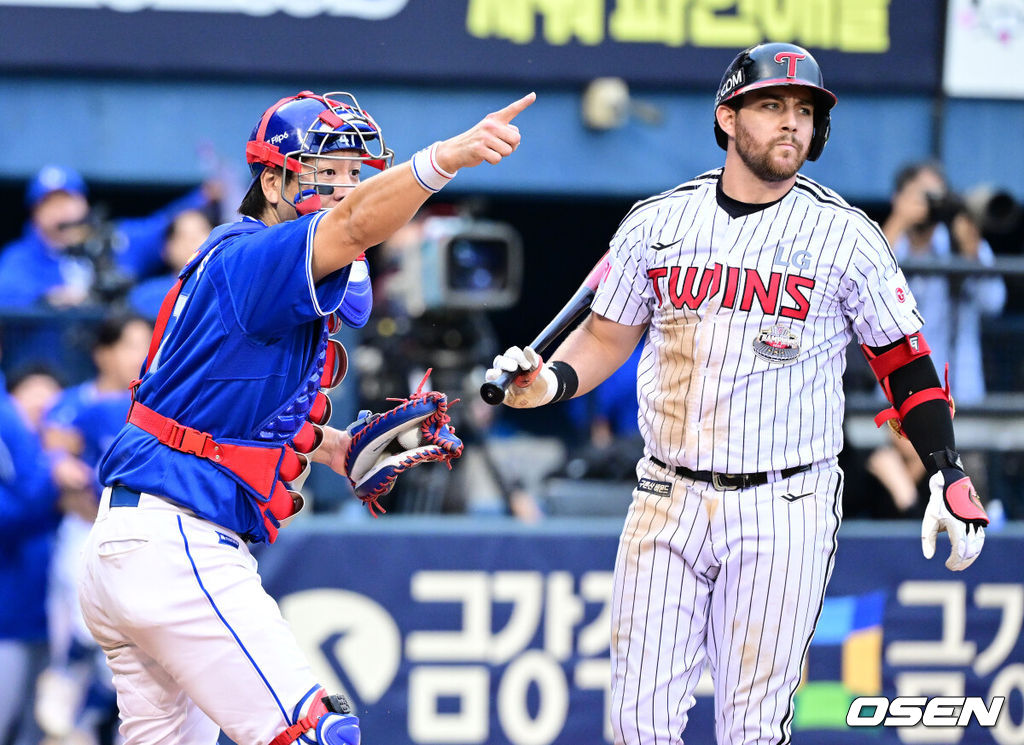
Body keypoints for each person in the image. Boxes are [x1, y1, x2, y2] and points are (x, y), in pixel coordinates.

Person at [485, 43, 989, 745]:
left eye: (805, 111)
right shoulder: (658, 223)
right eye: (773, 105)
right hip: (667, 494)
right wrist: (551, 382)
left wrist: (947, 467)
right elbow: (605, 337)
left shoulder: (845, 235)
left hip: (784, 501)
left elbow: (903, 359)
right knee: (637, 722)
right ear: (728, 117)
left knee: (751, 724)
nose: (792, 123)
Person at [77, 88, 534, 745]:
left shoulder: (239, 265)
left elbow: (217, 417)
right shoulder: (255, 256)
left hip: (134, 541)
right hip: (177, 544)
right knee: (319, 733)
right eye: (329, 172)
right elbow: (352, 228)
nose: (348, 188)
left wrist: (334, 447)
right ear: (273, 179)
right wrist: (444, 159)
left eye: (356, 173)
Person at [36, 313, 152, 742]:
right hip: (86, 528)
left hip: (141, 536)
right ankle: (68, 679)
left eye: (146, 344)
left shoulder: (159, 400)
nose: (139, 356)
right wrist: (61, 466)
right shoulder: (83, 404)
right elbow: (53, 451)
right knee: (83, 627)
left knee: (133, 644)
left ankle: (97, 710)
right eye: (129, 344)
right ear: (104, 352)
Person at [0, 164, 220, 309]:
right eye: (51, 204)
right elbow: (7, 294)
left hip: (110, 353)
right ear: (35, 214)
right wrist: (48, 298)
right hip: (53, 364)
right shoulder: (20, 257)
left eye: (68, 200)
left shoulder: (112, 238)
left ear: (83, 203)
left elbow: (162, 225)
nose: (62, 211)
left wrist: (202, 196)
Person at [882, 161, 1007, 405]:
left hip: (961, 394)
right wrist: (899, 220)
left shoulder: (959, 244)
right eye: (924, 194)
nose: (931, 202)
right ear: (898, 198)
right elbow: (864, 285)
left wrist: (972, 253)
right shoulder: (887, 243)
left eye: (938, 195)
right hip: (900, 396)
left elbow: (994, 303)